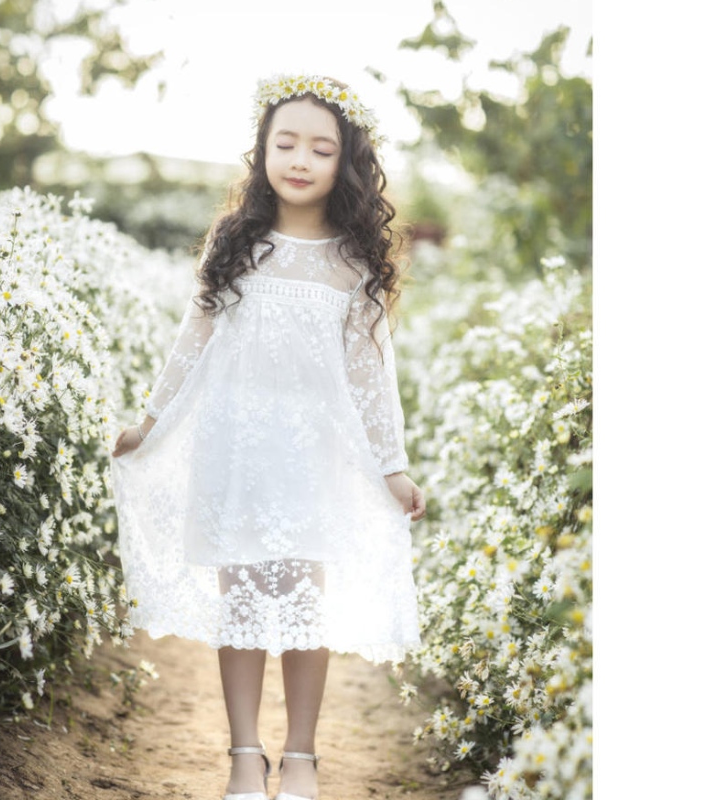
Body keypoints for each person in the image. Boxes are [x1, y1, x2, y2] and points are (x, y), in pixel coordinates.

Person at [111, 74, 426, 800]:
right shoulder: (235, 241)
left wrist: (393, 467)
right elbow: (192, 339)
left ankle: (303, 759)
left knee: (303, 601)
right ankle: (245, 756)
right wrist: (149, 424)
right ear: (262, 151)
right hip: (236, 445)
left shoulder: (355, 262)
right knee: (243, 599)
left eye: (320, 148)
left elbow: (372, 373)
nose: (300, 159)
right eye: (285, 142)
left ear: (345, 162)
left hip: (313, 450)